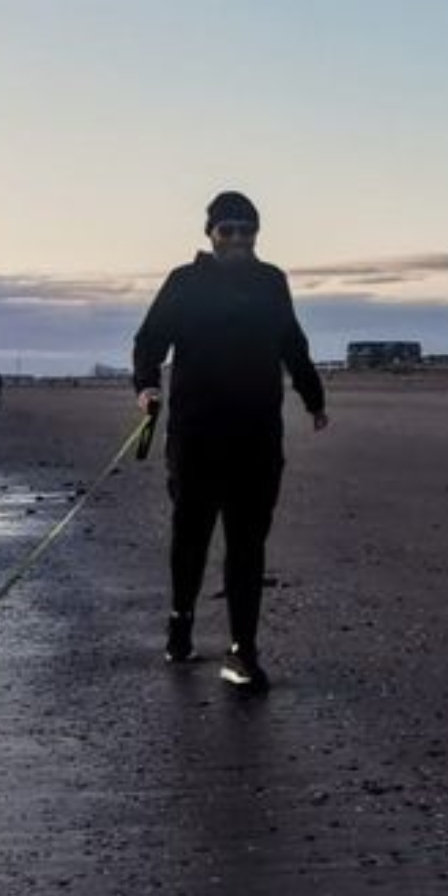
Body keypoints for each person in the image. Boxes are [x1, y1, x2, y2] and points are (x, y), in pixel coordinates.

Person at [132, 190, 329, 692]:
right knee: (191, 537)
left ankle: (242, 649)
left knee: (248, 542)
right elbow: (149, 339)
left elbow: (292, 342)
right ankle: (181, 621)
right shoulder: (185, 282)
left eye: (247, 230)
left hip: (258, 435)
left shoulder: (271, 282)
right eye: (229, 230)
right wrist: (147, 384)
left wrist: (313, 397)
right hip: (195, 434)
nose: (239, 238)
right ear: (211, 234)